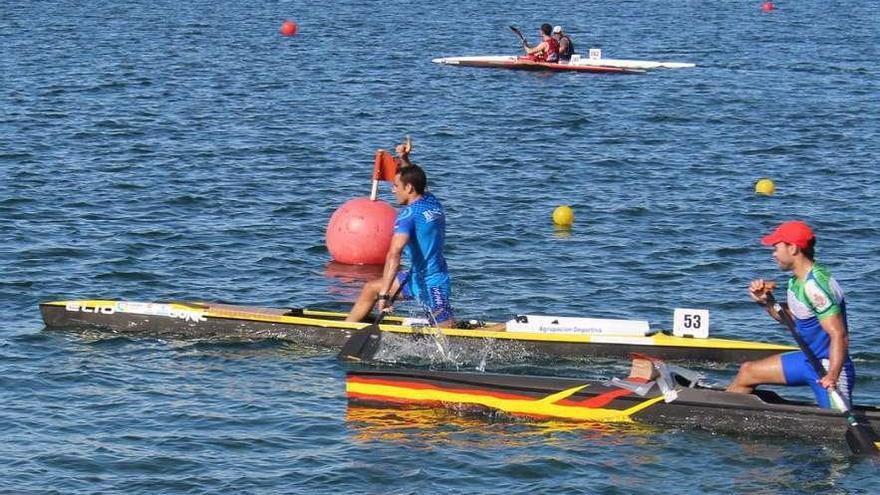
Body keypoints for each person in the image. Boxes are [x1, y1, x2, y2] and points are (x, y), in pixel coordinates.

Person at [727, 220, 855, 409]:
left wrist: (832, 376)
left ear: (793, 248)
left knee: (836, 430)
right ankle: (724, 414)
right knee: (748, 372)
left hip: (827, 368)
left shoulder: (815, 286)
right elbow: (792, 319)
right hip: (807, 361)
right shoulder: (796, 282)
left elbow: (839, 335)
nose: (773, 254)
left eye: (776, 247)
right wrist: (767, 301)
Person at [346, 147, 454, 328]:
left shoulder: (408, 216)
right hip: (415, 277)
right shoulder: (431, 200)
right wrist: (404, 158)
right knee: (370, 289)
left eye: (396, 186)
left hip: (433, 280)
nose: (393, 191)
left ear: (409, 188)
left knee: (446, 327)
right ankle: (345, 330)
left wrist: (385, 295)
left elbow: (394, 254)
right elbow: (415, 177)